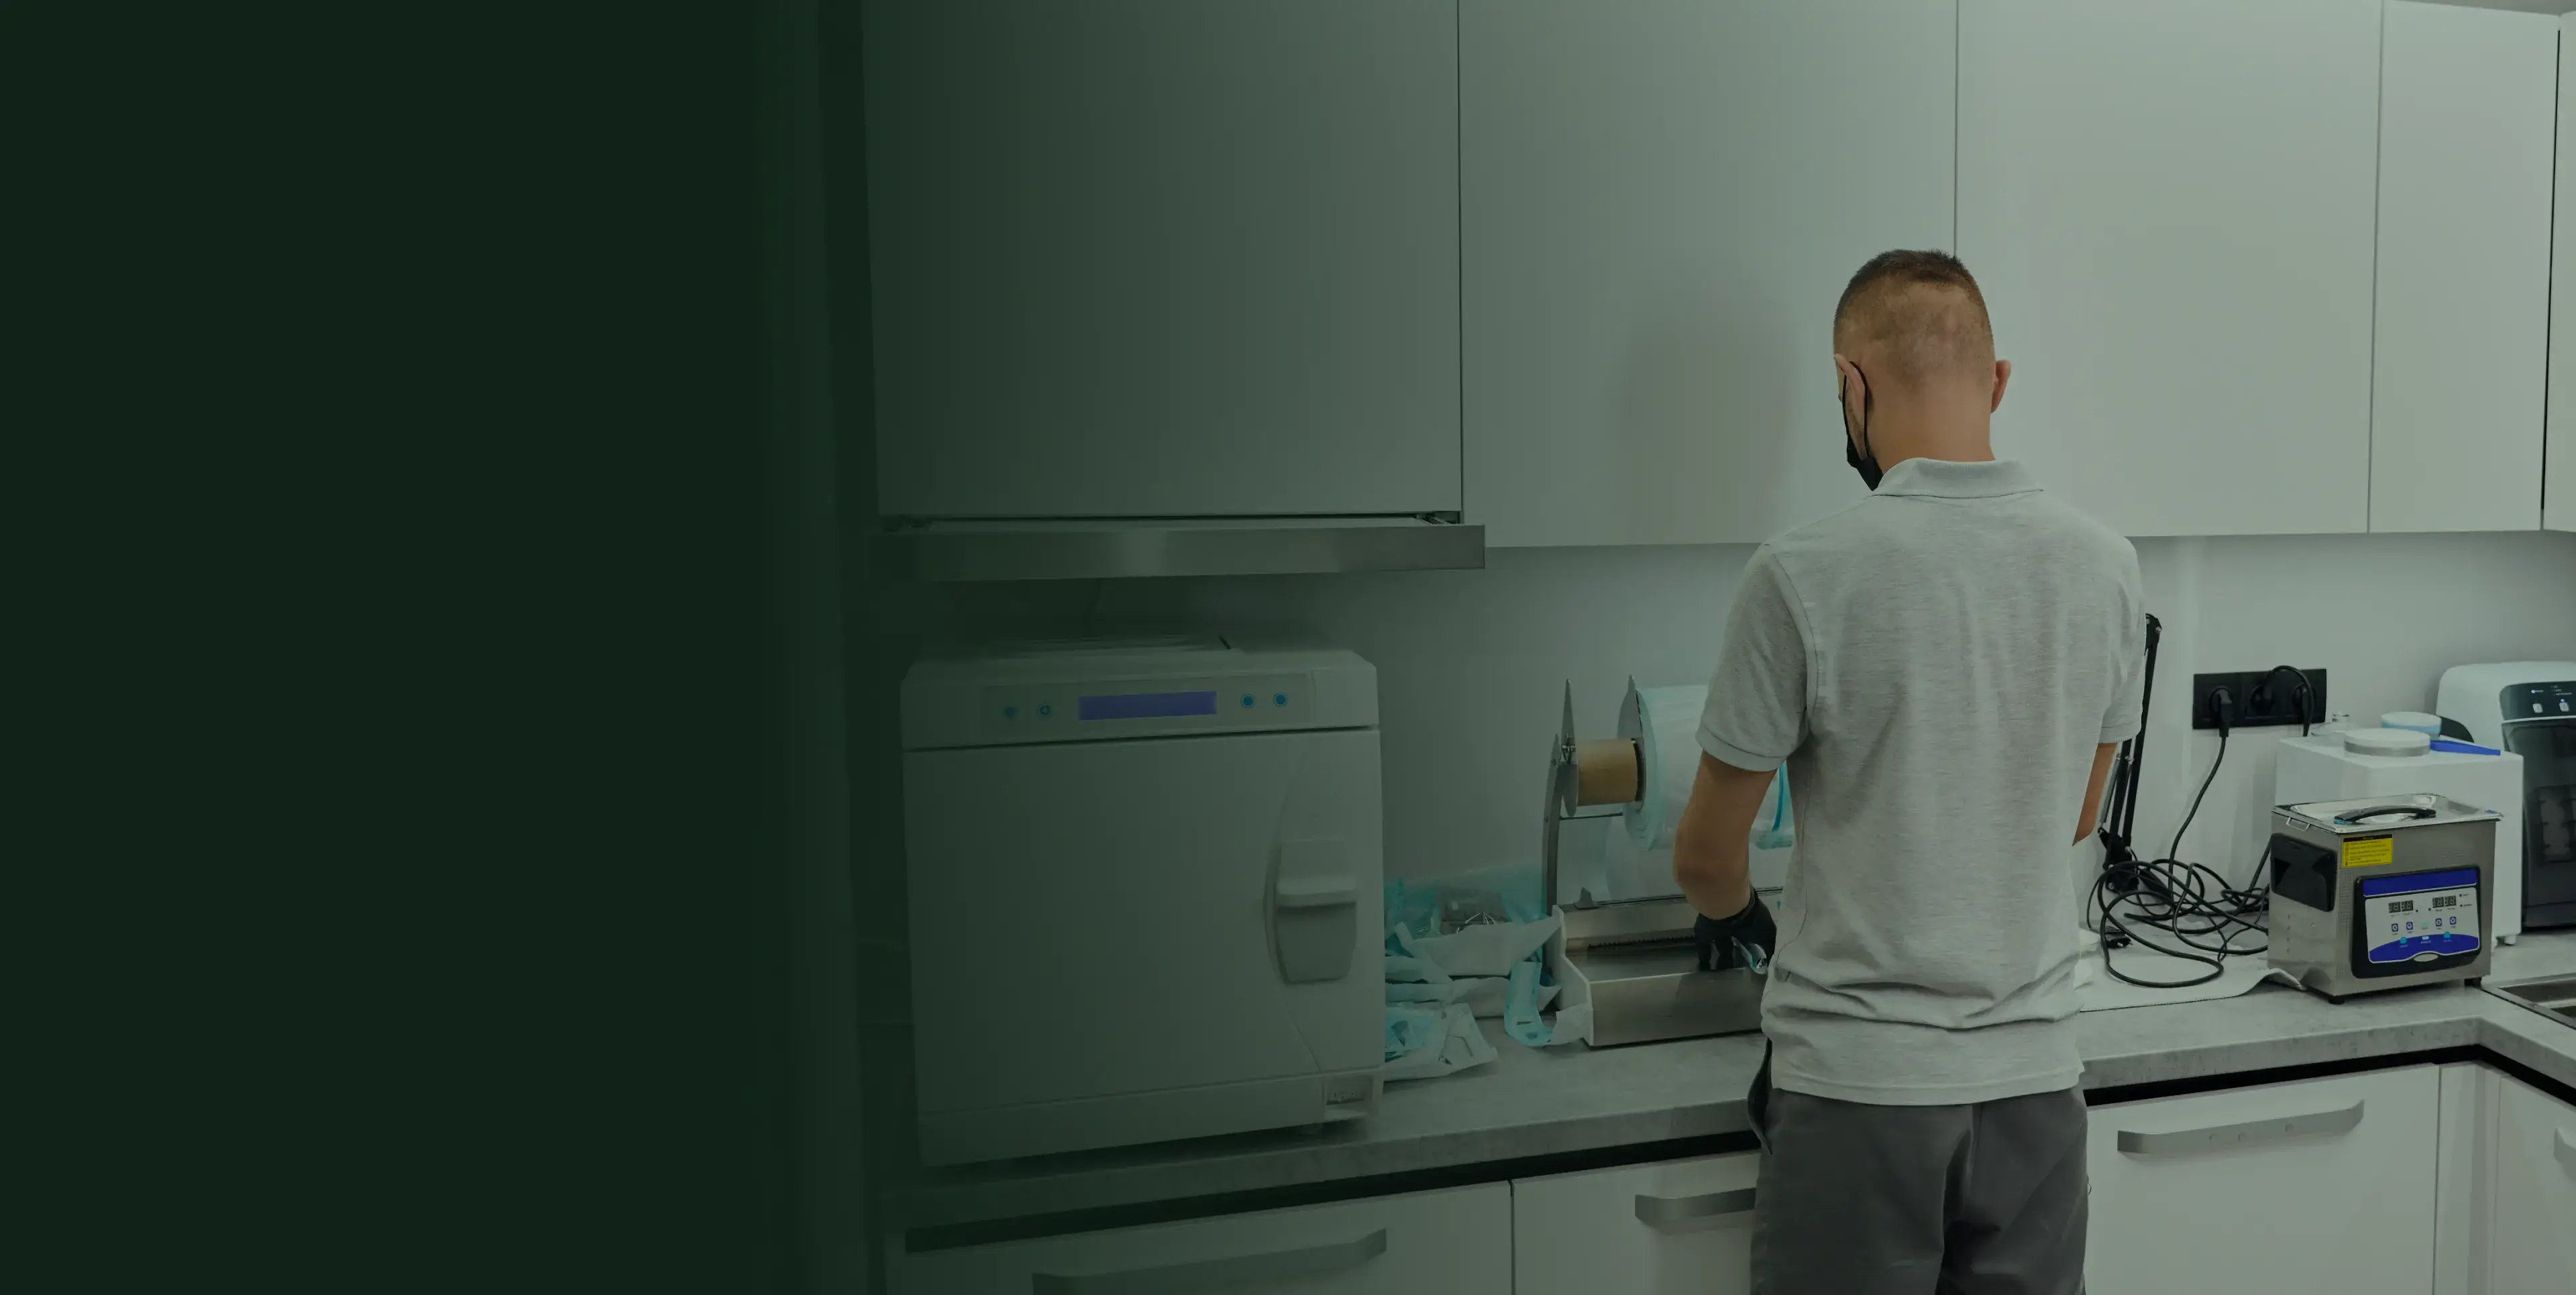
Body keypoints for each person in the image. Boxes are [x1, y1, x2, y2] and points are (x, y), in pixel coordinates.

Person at [1668, 250, 2146, 1295]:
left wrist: (1741, 914)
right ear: (2000, 381)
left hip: (1858, 1093)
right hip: (2035, 1096)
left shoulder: (1800, 573)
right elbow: (2075, 814)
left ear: (1851, 385)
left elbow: (1706, 857)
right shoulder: (2107, 566)